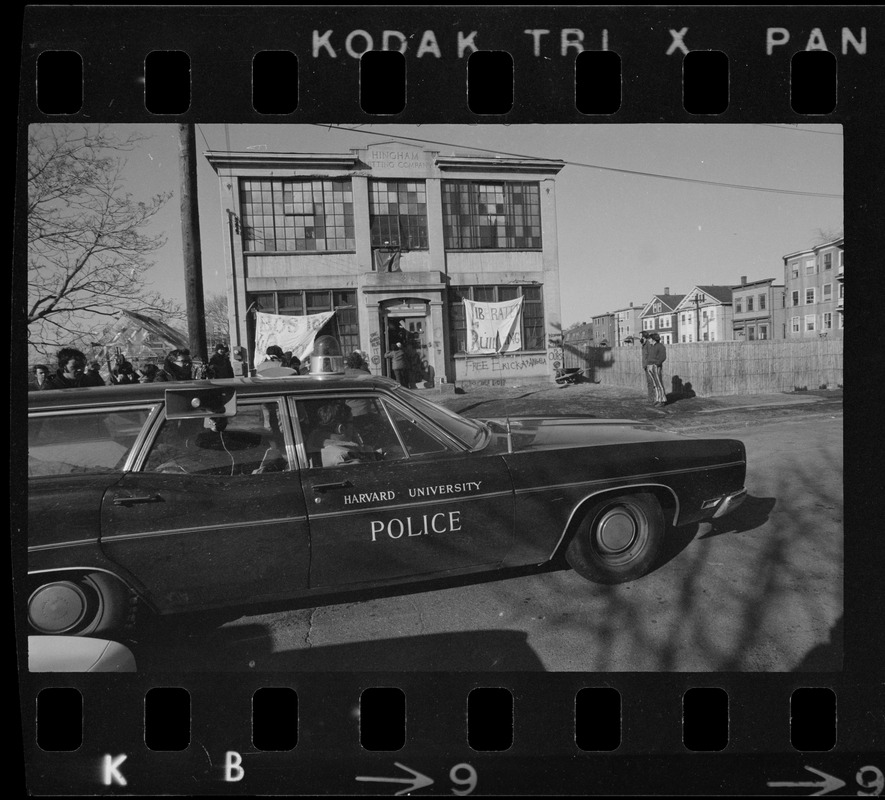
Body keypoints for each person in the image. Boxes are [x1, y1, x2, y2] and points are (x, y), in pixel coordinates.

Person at [645, 332, 668, 407]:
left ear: (654, 339)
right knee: (655, 384)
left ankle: (662, 400)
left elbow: (663, 357)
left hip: (655, 366)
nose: (649, 340)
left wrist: (657, 364)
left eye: (650, 339)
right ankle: (658, 399)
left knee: (659, 383)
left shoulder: (660, 346)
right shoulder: (652, 346)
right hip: (650, 366)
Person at [639, 332, 655, 404]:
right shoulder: (644, 345)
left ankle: (652, 398)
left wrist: (649, 365)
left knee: (651, 382)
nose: (640, 338)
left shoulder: (648, 344)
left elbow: (650, 355)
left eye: (640, 337)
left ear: (644, 337)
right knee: (649, 382)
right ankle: (650, 398)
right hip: (646, 366)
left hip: (649, 366)